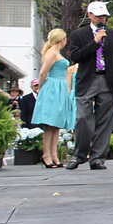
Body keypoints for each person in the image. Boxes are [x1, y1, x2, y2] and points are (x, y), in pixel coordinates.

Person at [67, 1, 113, 171]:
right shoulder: (79, 35)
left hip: (108, 80)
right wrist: (95, 42)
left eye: (104, 16)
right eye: (98, 16)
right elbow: (76, 56)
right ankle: (79, 155)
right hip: (87, 80)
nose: (101, 19)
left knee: (105, 121)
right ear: (89, 15)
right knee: (83, 118)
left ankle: (97, 158)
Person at [33, 29, 76, 168]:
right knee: (50, 123)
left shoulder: (57, 53)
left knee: (56, 124)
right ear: (62, 39)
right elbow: (43, 72)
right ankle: (46, 155)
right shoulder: (51, 53)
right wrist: (41, 88)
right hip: (53, 87)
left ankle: (54, 155)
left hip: (60, 87)